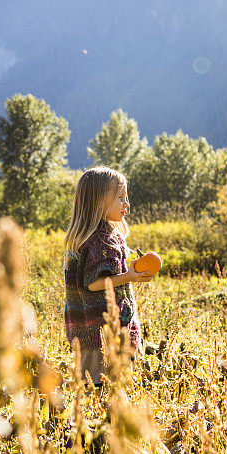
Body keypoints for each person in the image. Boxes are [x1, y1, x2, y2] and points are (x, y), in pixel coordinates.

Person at [62, 166, 154, 387]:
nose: (127, 204)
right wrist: (129, 276)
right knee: (103, 387)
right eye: (120, 198)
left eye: (126, 198)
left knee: (96, 388)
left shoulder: (97, 236)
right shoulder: (101, 240)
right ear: (98, 202)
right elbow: (93, 284)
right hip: (100, 333)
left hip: (90, 330)